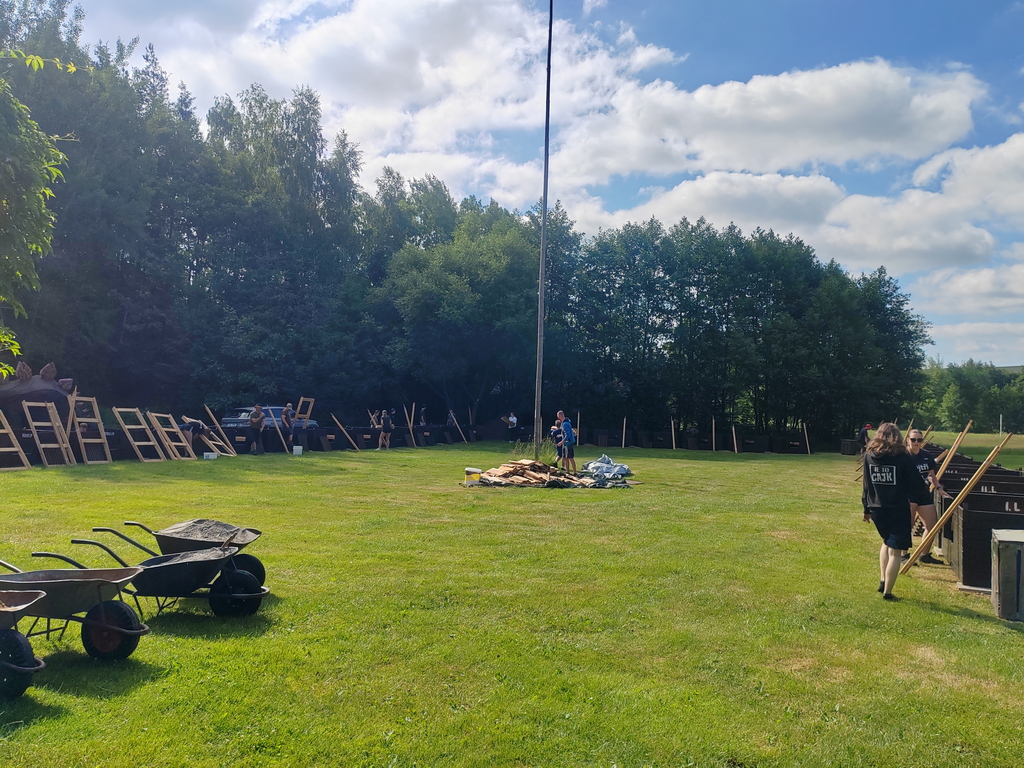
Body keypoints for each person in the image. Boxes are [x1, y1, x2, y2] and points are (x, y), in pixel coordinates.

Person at [862, 422, 929, 600]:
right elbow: (916, 483)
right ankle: (888, 592)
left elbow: (866, 485)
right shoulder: (902, 457)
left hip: (876, 508)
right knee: (896, 551)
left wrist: (866, 509)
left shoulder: (869, 455)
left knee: (886, 542)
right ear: (897, 437)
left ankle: (883, 580)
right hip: (898, 508)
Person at [905, 428, 950, 565]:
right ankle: (903, 555)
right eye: (913, 439)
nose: (916, 442)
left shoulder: (926, 455)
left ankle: (924, 554)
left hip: (923, 494)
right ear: (908, 440)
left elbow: (932, 475)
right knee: (907, 525)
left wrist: (939, 488)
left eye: (919, 440)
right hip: (908, 494)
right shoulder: (903, 456)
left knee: (932, 525)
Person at [556, 409, 576, 473]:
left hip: (569, 442)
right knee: (565, 457)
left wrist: (561, 442)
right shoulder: (564, 423)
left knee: (570, 458)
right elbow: (565, 433)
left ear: (559, 416)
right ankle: (567, 471)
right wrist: (561, 436)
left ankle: (575, 472)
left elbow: (568, 435)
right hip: (565, 443)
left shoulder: (565, 424)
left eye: (558, 416)